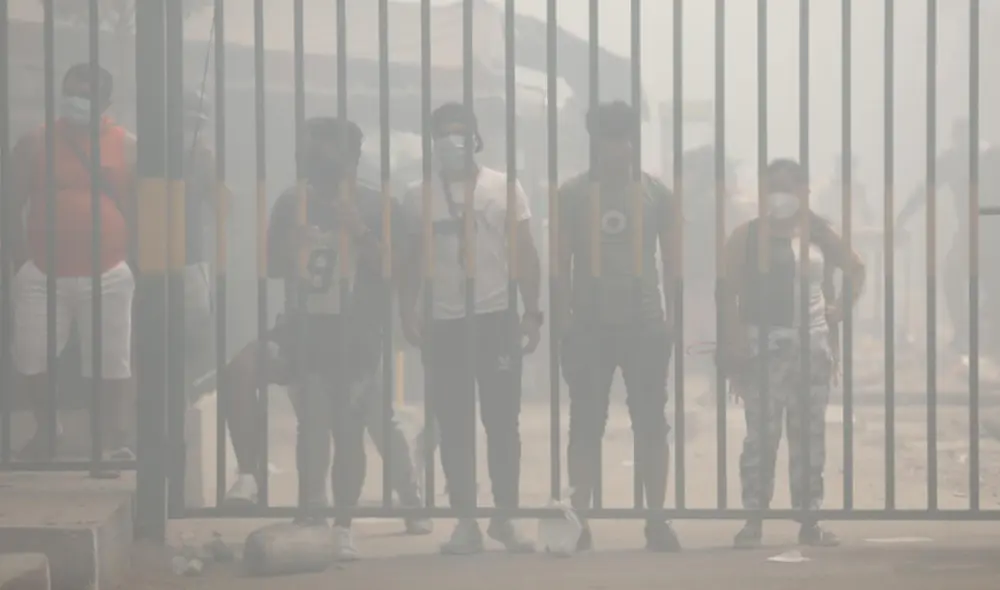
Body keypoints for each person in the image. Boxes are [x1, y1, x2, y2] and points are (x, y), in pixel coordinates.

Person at [264, 115, 419, 559]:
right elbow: (273, 265)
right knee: (314, 421)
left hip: (360, 330)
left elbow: (394, 267)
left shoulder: (377, 204)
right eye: (309, 152)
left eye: (324, 153)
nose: (315, 161)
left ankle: (391, 504)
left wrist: (358, 230)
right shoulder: (291, 202)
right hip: (309, 329)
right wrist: (292, 244)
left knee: (366, 422)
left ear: (351, 158)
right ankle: (315, 512)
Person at [399, 103, 542, 555]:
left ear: (476, 138)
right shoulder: (417, 195)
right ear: (432, 141)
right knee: (453, 424)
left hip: (495, 317)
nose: (451, 141)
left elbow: (524, 250)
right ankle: (465, 520)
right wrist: (407, 309)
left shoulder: (504, 187)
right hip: (445, 322)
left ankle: (505, 516)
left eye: (460, 132)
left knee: (502, 423)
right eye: (443, 133)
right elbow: (410, 258)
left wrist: (532, 311)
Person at [718, 158, 865, 548]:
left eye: (786, 187)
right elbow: (726, 291)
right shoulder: (748, 236)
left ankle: (809, 519)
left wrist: (840, 309)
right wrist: (734, 342)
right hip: (763, 347)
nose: (778, 196)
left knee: (809, 437)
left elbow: (856, 268)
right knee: (761, 438)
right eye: (772, 188)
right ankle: (753, 519)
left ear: (803, 191)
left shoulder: (818, 234)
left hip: (812, 346)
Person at [557, 101, 681, 552]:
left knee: (651, 424)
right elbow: (560, 262)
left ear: (634, 141)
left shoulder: (656, 194)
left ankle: (656, 518)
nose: (618, 147)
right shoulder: (573, 194)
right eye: (609, 138)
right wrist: (565, 320)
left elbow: (672, 261)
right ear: (594, 142)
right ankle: (579, 520)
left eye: (624, 137)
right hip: (589, 324)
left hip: (643, 322)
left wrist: (670, 320)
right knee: (585, 425)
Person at [6, 64, 136, 460]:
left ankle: (110, 440)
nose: (76, 101)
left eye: (86, 94)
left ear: (106, 101)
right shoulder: (35, 142)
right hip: (43, 271)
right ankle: (48, 430)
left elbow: (139, 207)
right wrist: (22, 262)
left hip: (109, 269)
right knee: (32, 356)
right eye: (70, 92)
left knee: (110, 360)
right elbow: (10, 205)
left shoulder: (126, 145)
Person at [896, 119, 984, 355]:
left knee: (954, 275)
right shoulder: (984, 155)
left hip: (976, 229)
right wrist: (902, 217)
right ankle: (971, 332)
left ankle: (967, 333)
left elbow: (924, 191)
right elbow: (924, 190)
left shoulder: (955, 159)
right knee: (960, 276)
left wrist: (902, 218)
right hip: (975, 229)